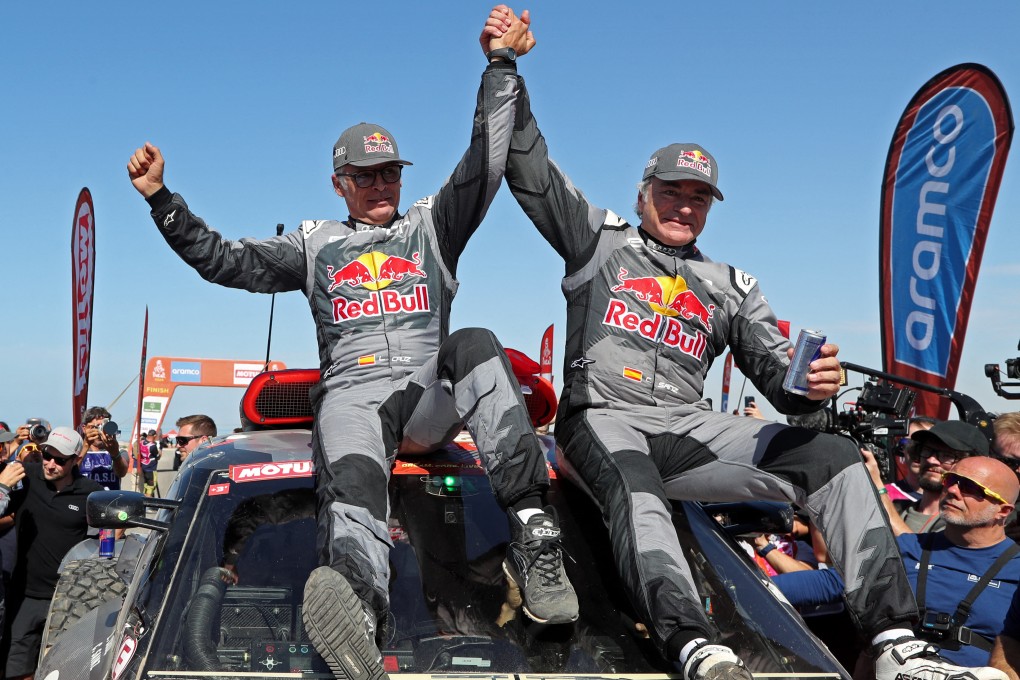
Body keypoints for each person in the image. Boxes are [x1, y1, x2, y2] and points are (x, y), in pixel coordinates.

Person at [491, 8, 1007, 677]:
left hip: (686, 430)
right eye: (671, 192)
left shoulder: (732, 285)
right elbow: (527, 165)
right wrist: (504, 67)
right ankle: (693, 645)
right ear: (643, 194)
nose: (683, 205)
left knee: (834, 456)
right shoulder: (600, 241)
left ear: (711, 206)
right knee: (638, 488)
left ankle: (896, 647)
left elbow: (783, 387)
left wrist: (813, 390)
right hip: (603, 423)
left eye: (698, 197)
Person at [127, 9, 576, 680]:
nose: (380, 186)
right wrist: (163, 199)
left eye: (389, 172)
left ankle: (537, 538)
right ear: (339, 182)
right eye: (365, 176)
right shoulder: (314, 244)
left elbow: (485, 159)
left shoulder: (432, 226)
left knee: (480, 343)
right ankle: (357, 614)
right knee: (354, 477)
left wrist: (500, 67)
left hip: (427, 401)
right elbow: (224, 260)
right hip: (355, 402)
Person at [0, 426, 103, 680]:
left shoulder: (90, 492)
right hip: (24, 594)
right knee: (16, 669)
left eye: (60, 460)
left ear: (77, 459)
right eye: (48, 455)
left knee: (61, 670)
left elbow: (110, 532)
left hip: (67, 596)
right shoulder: (26, 477)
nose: (51, 464)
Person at [896, 456, 1020, 667]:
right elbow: (836, 583)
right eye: (950, 480)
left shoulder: (1016, 568)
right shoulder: (906, 547)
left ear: (1003, 511)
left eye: (970, 488)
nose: (952, 491)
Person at [865, 420, 990, 535]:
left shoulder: (965, 525)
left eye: (946, 455)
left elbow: (913, 552)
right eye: (927, 450)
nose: (931, 460)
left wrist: (878, 486)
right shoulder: (900, 509)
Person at [78, 405, 128, 490]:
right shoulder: (76, 451)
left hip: (109, 500)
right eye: (95, 427)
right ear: (84, 428)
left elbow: (121, 473)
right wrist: (85, 447)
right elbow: (69, 472)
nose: (99, 432)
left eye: (102, 427)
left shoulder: (118, 451)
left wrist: (115, 454)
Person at [140, 430, 161, 497]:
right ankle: (148, 503)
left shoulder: (141, 442)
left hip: (143, 467)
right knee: (150, 487)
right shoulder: (152, 446)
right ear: (154, 436)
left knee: (146, 486)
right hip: (151, 469)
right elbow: (157, 456)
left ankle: (146, 499)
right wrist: (160, 452)